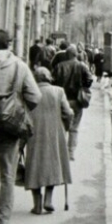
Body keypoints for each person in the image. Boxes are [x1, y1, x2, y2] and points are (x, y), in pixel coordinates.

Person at [0, 29, 42, 224]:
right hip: (8, 127)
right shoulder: (19, 66)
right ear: (9, 45)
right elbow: (35, 97)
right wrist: (18, 106)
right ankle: (2, 221)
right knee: (7, 176)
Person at [23, 67, 73, 215]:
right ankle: (48, 200)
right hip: (55, 132)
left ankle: (37, 204)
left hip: (33, 133)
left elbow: (22, 112)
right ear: (48, 77)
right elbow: (68, 113)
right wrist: (66, 127)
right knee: (53, 164)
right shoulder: (58, 91)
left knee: (34, 166)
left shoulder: (29, 93)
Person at [52, 46, 94, 161]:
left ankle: (61, 151)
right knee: (74, 127)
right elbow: (90, 79)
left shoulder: (59, 66)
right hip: (77, 100)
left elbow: (53, 81)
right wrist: (83, 87)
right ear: (76, 55)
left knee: (61, 126)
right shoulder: (82, 66)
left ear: (67, 55)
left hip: (62, 100)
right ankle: (71, 152)